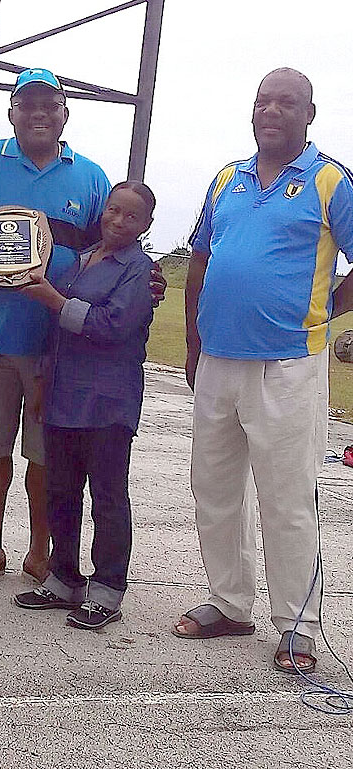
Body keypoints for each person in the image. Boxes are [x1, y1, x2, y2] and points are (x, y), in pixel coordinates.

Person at [0, 68, 165, 585]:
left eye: (50, 105)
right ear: (12, 111)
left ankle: (40, 552)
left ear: (65, 113)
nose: (39, 113)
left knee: (47, 459)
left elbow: (112, 246)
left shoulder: (89, 177)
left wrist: (147, 277)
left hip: (59, 346)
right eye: (28, 104)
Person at [174, 68, 353, 673]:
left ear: (309, 113)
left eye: (285, 103)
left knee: (287, 499)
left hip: (289, 363)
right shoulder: (228, 178)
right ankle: (230, 602)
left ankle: (299, 627)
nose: (271, 111)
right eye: (262, 102)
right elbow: (199, 256)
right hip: (219, 358)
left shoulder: (329, 180)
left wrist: (329, 308)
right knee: (215, 491)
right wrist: (195, 342)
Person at [13, 181, 154, 630]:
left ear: (146, 225)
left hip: (108, 401)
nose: (118, 220)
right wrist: (40, 380)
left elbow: (111, 326)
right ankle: (63, 579)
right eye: (113, 210)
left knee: (108, 497)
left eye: (131, 216)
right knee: (61, 492)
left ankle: (108, 590)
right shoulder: (78, 262)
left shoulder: (138, 271)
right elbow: (54, 332)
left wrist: (54, 300)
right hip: (62, 395)